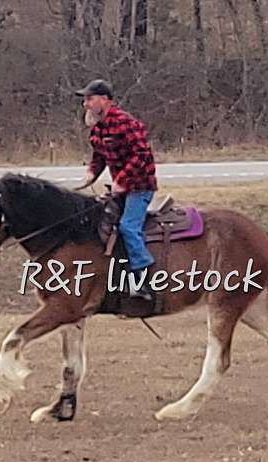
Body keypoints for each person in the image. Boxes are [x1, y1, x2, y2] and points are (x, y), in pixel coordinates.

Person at [75, 79, 157, 300]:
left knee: (128, 227)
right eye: (85, 100)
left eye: (89, 99)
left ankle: (143, 280)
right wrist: (92, 174)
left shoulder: (125, 123)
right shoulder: (97, 129)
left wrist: (122, 180)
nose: (86, 104)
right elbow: (99, 156)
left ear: (105, 100)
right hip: (121, 188)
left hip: (140, 186)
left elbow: (142, 155)